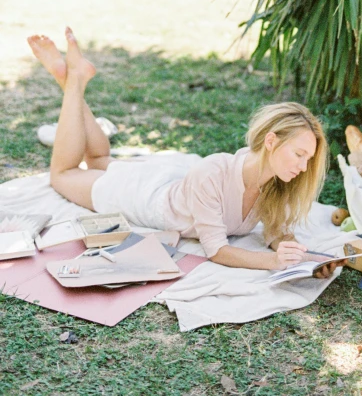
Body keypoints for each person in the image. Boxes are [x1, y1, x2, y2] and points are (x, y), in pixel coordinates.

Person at [28, 28, 345, 277]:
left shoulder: (276, 180)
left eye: (308, 159)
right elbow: (217, 251)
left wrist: (306, 259)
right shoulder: (214, 172)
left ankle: (71, 79)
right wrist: (274, 262)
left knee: (98, 161)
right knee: (64, 174)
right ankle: (72, 81)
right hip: (145, 199)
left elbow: (277, 232)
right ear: (272, 141)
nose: (303, 167)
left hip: (168, 182)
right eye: (299, 154)